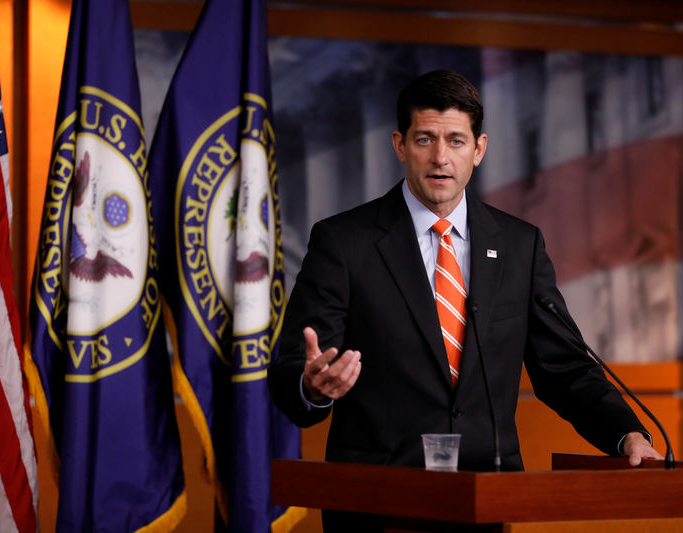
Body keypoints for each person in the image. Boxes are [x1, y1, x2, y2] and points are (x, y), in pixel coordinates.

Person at [267, 69, 662, 531]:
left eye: (455, 141)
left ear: (479, 149)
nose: (440, 157)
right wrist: (312, 388)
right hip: (378, 503)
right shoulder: (343, 242)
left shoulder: (519, 245)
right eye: (424, 139)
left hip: (485, 500)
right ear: (399, 145)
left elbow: (566, 369)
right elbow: (295, 367)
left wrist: (626, 435)